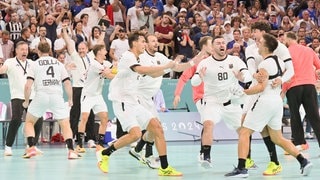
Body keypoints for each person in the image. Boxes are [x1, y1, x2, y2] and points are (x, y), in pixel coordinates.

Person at [225, 33, 313, 178]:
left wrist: (244, 91)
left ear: (266, 46)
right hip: (276, 102)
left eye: (260, 42)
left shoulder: (265, 64)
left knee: (244, 133)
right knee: (277, 138)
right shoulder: (279, 61)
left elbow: (260, 87)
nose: (257, 44)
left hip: (264, 101)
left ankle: (242, 169)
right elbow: (278, 76)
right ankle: (303, 161)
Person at [97, 32, 182, 176]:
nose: (145, 44)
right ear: (134, 43)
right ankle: (105, 154)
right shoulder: (128, 57)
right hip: (122, 101)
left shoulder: (137, 58)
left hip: (133, 101)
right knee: (135, 134)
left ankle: (164, 167)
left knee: (157, 128)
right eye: (143, 41)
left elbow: (152, 74)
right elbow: (142, 70)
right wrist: (167, 65)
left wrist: (168, 67)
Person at [128, 34, 204, 169]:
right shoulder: (141, 57)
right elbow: (154, 72)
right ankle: (148, 155)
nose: (156, 43)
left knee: (156, 128)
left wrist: (195, 61)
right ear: (145, 43)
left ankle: (137, 150)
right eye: (152, 41)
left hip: (148, 99)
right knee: (155, 128)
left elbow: (178, 67)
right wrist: (167, 67)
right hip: (137, 96)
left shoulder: (160, 57)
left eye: (156, 41)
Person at [190, 36, 252, 168]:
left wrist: (243, 77)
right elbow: (193, 82)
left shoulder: (234, 60)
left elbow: (247, 75)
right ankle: (206, 157)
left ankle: (246, 160)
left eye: (223, 42)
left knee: (243, 131)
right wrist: (199, 77)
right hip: (212, 102)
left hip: (231, 103)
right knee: (208, 124)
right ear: (212, 48)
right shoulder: (205, 63)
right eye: (218, 43)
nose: (221, 45)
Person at [242, 21, 295, 175]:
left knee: (267, 131)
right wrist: (255, 76)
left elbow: (291, 70)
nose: (252, 35)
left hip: (269, 92)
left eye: (255, 31)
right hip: (256, 88)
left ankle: (275, 161)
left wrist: (282, 80)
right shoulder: (251, 48)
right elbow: (250, 67)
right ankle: (247, 159)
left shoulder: (280, 48)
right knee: (245, 123)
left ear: (264, 33)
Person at [22, 41, 80, 159]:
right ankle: (71, 151)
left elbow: (28, 86)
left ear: (38, 51)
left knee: (29, 122)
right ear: (49, 51)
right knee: (65, 124)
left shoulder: (34, 64)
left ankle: (31, 147)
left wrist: (26, 101)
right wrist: (70, 99)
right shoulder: (58, 63)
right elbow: (68, 83)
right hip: (56, 96)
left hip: (41, 95)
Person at [173, 36, 212, 162]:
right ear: (205, 47)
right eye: (212, 44)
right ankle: (204, 154)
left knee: (209, 124)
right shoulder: (196, 61)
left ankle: (203, 153)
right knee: (208, 122)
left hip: (214, 97)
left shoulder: (215, 59)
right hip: (200, 97)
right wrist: (177, 94)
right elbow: (184, 78)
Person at [0, 41, 43, 156]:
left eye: (26, 49)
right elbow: (2, 70)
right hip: (18, 96)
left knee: (39, 120)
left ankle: (31, 146)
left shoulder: (31, 63)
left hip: (32, 96)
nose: (25, 51)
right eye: (22, 49)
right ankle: (8, 147)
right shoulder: (10, 61)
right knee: (16, 120)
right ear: (16, 51)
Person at [62, 24, 97, 152]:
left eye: (83, 48)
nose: (81, 50)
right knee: (74, 115)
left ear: (87, 49)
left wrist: (103, 31)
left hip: (88, 90)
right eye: (80, 49)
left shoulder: (91, 58)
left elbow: (99, 43)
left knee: (90, 115)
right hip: (77, 89)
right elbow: (69, 42)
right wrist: (65, 31)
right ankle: (70, 139)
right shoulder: (75, 57)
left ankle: (91, 139)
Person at [283, 31, 320, 151]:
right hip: (309, 85)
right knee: (315, 117)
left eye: (284, 40)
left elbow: (285, 73)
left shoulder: (286, 52)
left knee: (295, 115)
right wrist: (315, 74)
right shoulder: (309, 50)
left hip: (294, 87)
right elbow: (319, 65)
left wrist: (283, 91)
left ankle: (300, 143)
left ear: (288, 40)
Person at [77, 44, 115, 155]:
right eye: (104, 50)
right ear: (99, 52)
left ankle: (100, 143)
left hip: (97, 95)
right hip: (87, 95)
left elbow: (113, 70)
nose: (106, 51)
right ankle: (79, 145)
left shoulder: (106, 63)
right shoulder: (94, 64)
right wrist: (119, 76)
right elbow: (109, 75)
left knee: (104, 118)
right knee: (84, 118)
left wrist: (115, 70)